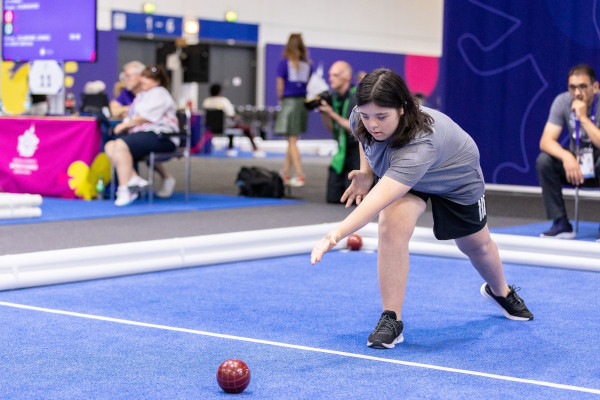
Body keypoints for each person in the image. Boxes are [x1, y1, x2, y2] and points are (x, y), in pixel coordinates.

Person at [311, 68, 533, 349]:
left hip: (455, 177)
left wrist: (337, 233)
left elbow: (374, 201)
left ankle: (501, 291)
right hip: (406, 174)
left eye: (382, 117)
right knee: (390, 224)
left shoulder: (421, 143)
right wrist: (366, 173)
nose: (372, 124)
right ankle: (391, 318)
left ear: (402, 109)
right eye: (367, 116)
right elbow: (363, 138)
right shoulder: (362, 115)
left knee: (476, 246)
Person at [536, 64, 600, 241]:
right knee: (545, 161)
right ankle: (561, 223)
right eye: (573, 87)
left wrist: (583, 118)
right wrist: (567, 156)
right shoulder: (562, 101)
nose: (578, 93)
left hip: (597, 164)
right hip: (576, 167)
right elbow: (546, 141)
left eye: (583, 87)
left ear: (595, 87)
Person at [105, 65, 179, 206]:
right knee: (110, 146)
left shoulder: (159, 93)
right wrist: (126, 123)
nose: (145, 80)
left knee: (120, 145)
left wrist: (124, 125)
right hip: (143, 134)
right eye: (144, 76)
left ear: (157, 82)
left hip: (162, 135)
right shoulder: (141, 96)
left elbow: (145, 117)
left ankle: (124, 190)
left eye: (150, 78)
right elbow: (130, 114)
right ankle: (134, 178)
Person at [317, 61, 361, 203]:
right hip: (341, 151)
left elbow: (354, 128)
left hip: (358, 152)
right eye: (330, 75)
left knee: (354, 200)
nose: (330, 78)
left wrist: (332, 113)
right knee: (332, 199)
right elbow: (332, 129)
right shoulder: (334, 97)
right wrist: (325, 113)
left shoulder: (357, 96)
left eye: (335, 75)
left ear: (346, 77)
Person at [274, 33, 313, 187]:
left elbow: (279, 85)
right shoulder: (308, 64)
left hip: (289, 102)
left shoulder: (284, 63)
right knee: (292, 139)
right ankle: (285, 171)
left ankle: (299, 174)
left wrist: (281, 100)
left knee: (291, 140)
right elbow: (307, 84)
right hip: (301, 102)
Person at [202, 83, 265, 158]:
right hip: (225, 127)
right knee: (244, 128)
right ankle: (255, 149)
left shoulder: (206, 102)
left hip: (209, 127)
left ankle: (230, 147)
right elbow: (231, 115)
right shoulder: (224, 101)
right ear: (220, 92)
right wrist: (237, 117)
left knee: (230, 126)